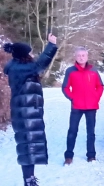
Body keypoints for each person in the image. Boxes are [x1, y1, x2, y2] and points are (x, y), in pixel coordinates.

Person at [3, 33, 57, 186]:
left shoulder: (16, 66)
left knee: (28, 146)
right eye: (29, 52)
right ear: (24, 55)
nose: (32, 54)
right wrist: (51, 45)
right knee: (27, 147)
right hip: (25, 113)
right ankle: (28, 180)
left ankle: (30, 179)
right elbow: (41, 63)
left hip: (25, 112)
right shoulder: (21, 68)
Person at [62, 47, 104, 165]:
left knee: (91, 132)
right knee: (72, 131)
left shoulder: (93, 70)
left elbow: (100, 86)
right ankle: (68, 156)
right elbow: (65, 87)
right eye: (79, 55)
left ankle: (91, 155)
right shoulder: (70, 71)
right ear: (75, 56)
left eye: (83, 55)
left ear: (87, 56)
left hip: (91, 106)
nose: (81, 57)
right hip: (77, 106)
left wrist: (96, 97)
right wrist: (72, 98)